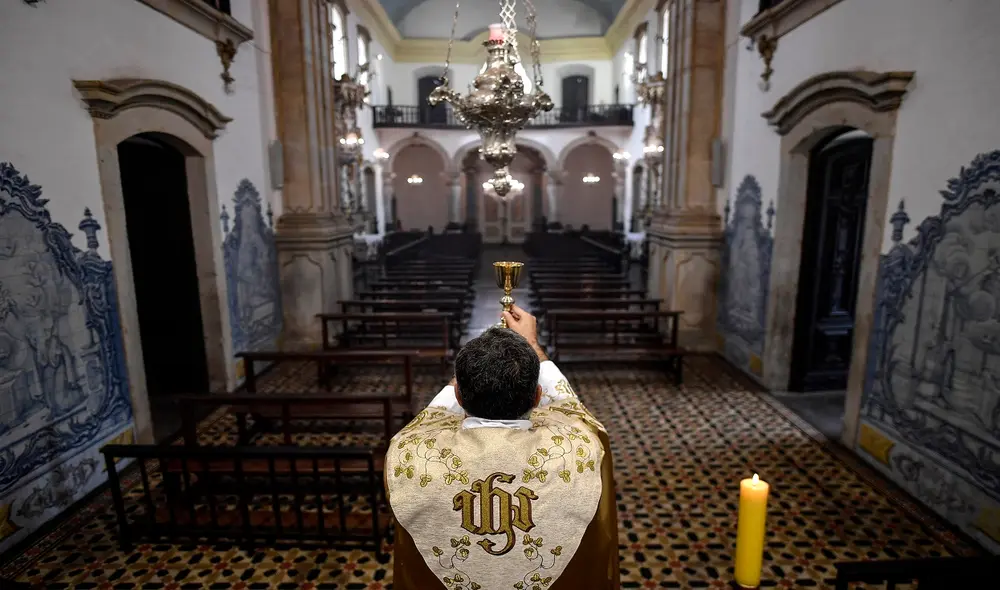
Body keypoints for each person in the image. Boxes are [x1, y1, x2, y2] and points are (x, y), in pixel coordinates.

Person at [386, 305, 620, 590]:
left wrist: (461, 379)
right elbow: (580, 416)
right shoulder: (578, 450)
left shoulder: (412, 455)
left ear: (459, 395)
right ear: (537, 396)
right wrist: (535, 348)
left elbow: (422, 422)